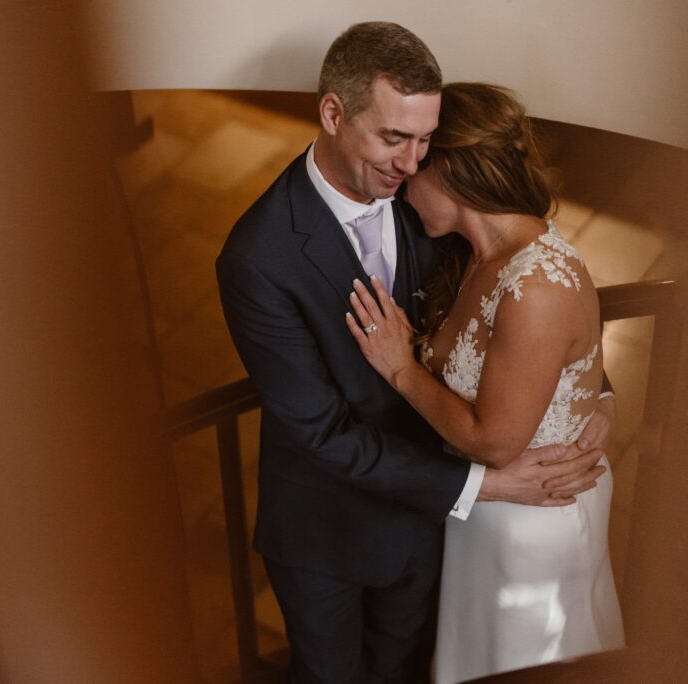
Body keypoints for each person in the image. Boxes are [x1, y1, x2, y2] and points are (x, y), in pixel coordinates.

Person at [216, 22, 614, 683]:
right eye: (394, 137)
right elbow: (325, 433)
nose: (410, 163)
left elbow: (533, 324)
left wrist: (594, 398)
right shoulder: (259, 258)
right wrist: (485, 482)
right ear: (334, 113)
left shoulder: (432, 202)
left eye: (425, 141)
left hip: (438, 532)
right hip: (331, 536)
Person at [346, 82, 625, 683]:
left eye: (418, 164)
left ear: (450, 172)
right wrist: (600, 394)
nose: (403, 180)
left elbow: (494, 441)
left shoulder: (537, 286)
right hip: (486, 518)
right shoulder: (472, 252)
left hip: (532, 528)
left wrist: (401, 369)